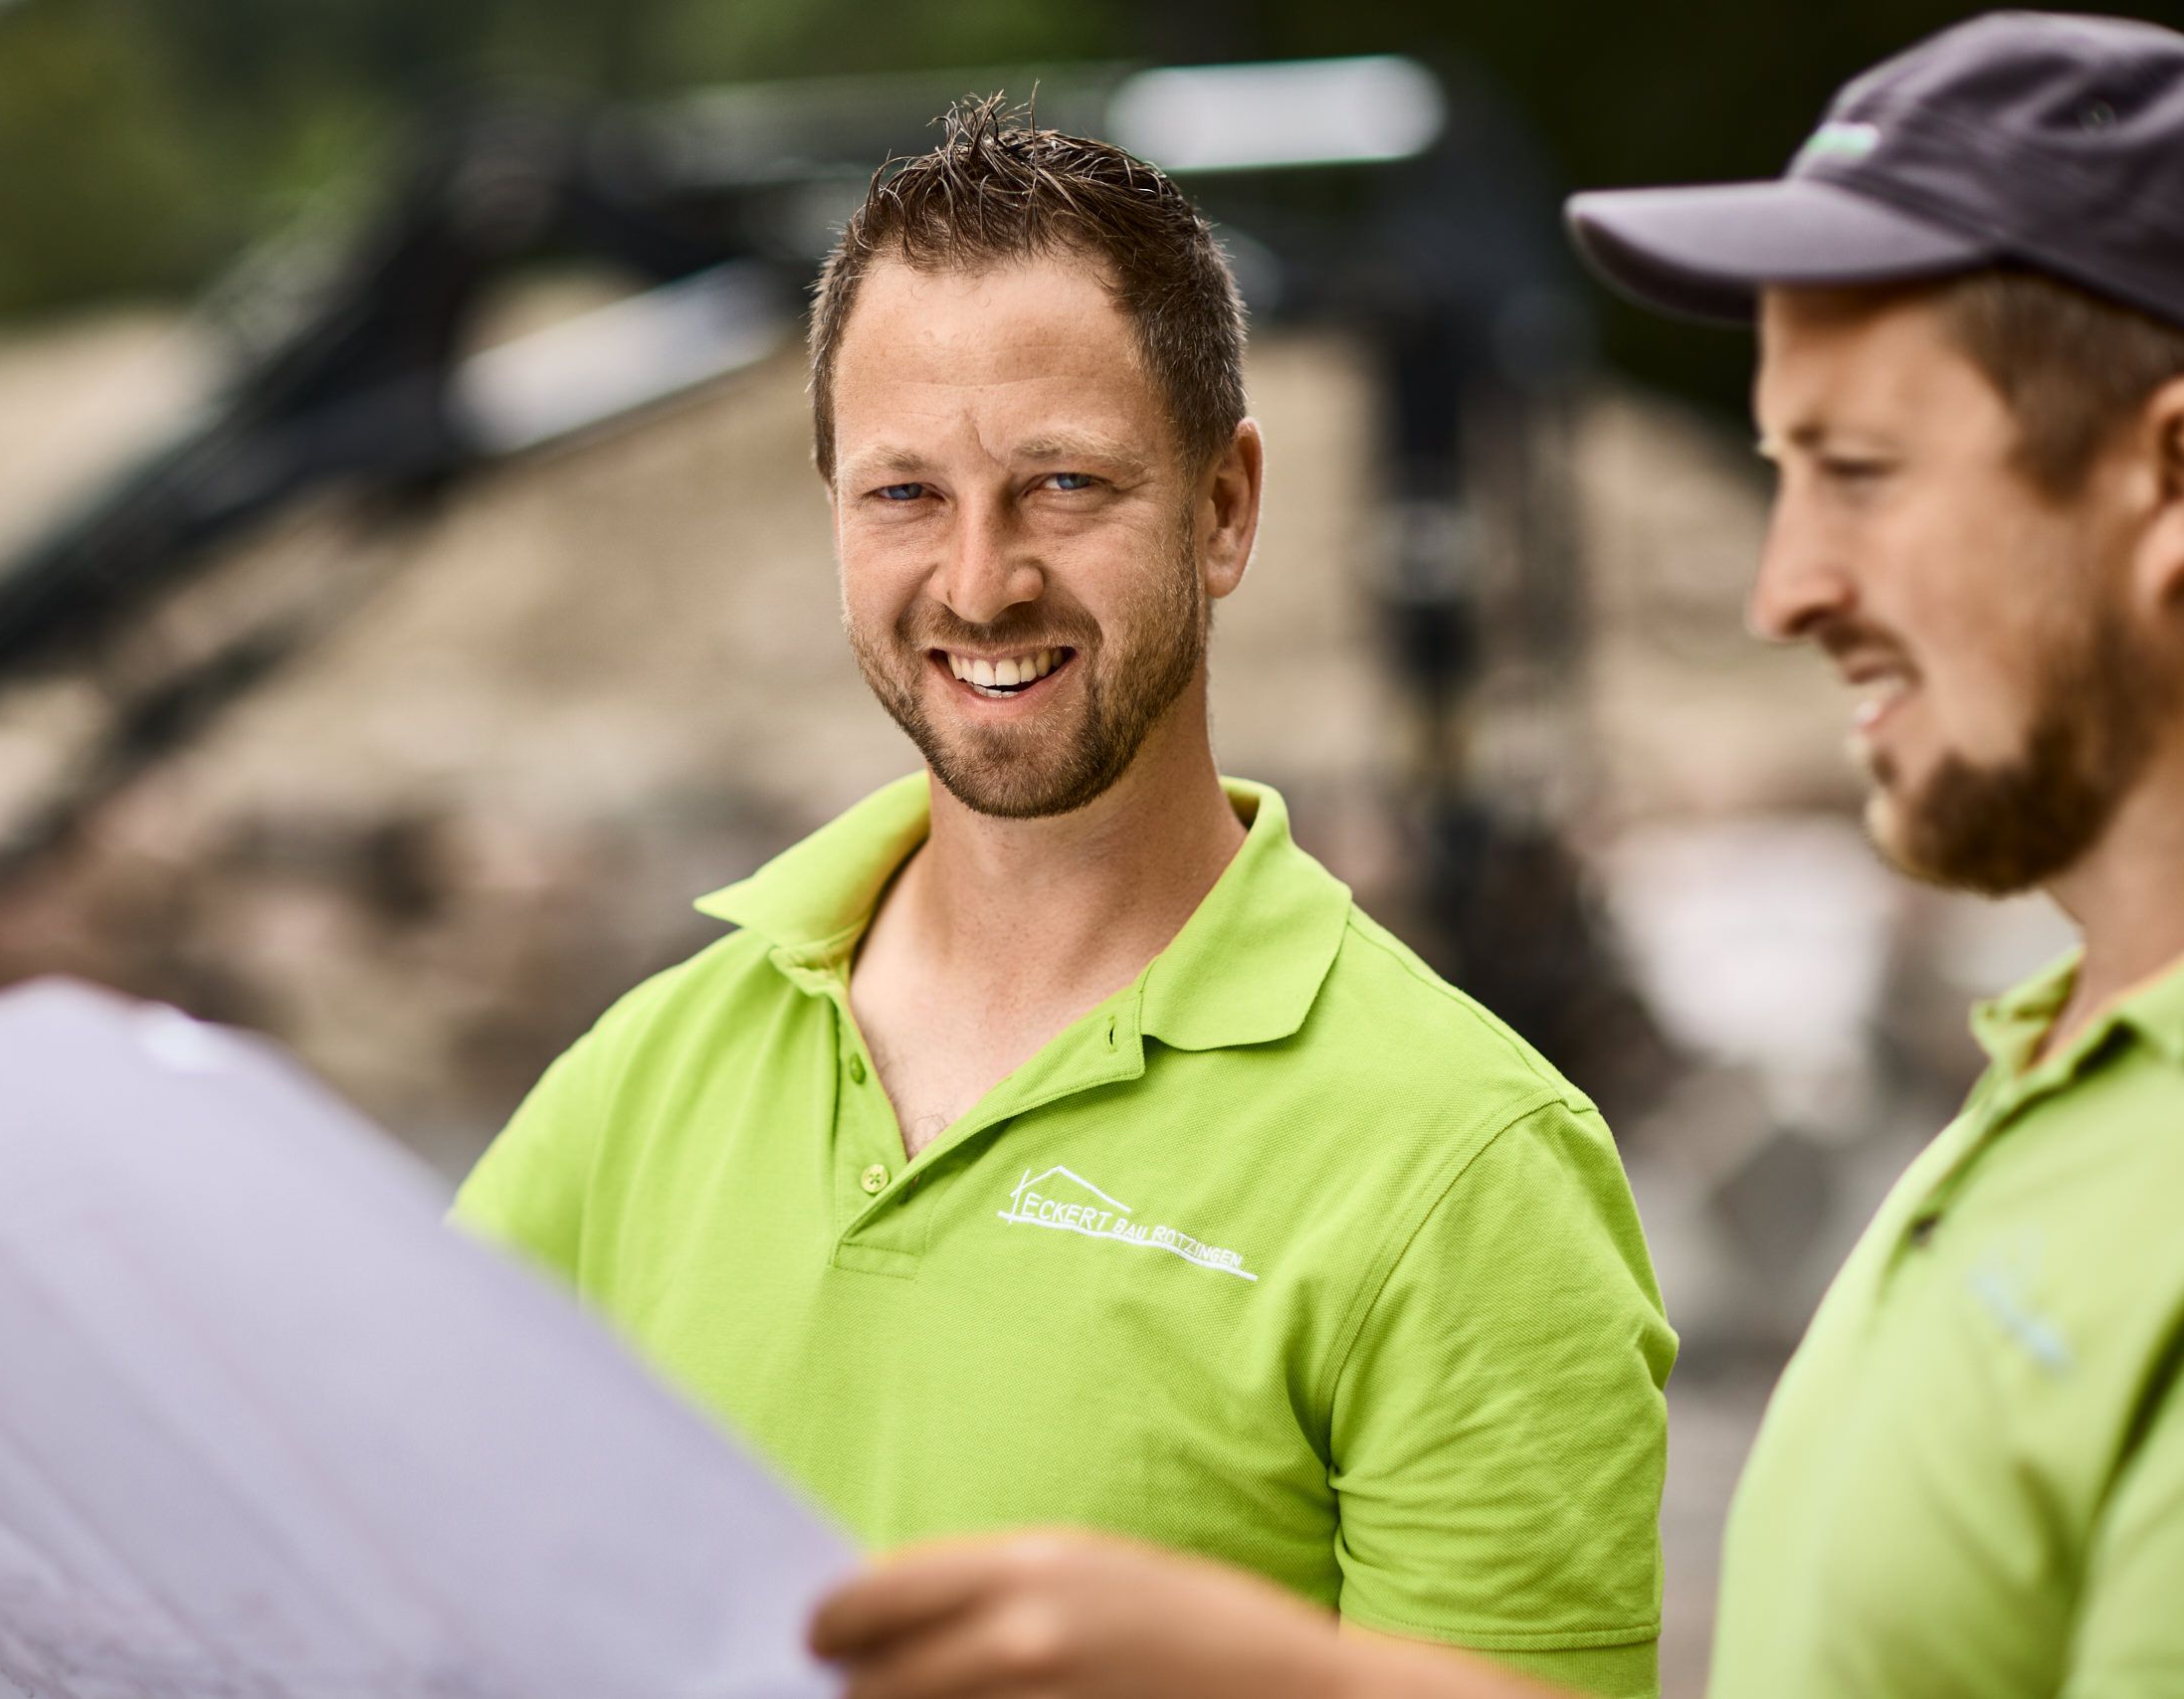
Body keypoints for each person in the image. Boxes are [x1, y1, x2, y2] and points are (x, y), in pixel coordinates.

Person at [806, 13, 2184, 1698]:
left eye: (1864, 474)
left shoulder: (1472, 1160)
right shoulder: (2056, 1090)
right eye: (1781, 477)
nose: (1784, 592)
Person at [451, 97, 1676, 1696]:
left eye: (1064, 486)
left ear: (1225, 507)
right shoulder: (647, 1077)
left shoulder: (1467, 1166)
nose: (978, 581)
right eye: (904, 496)